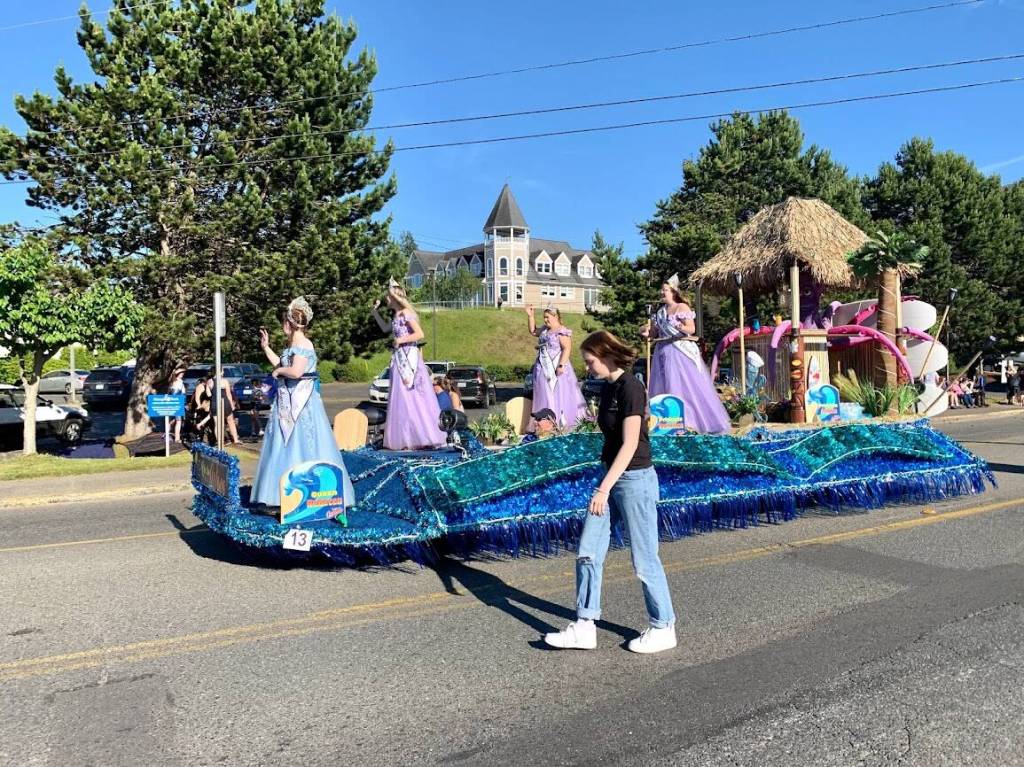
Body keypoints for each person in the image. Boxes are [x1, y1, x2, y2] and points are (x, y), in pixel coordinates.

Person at [544, 330, 676, 654]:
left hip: (634, 480)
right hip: (609, 476)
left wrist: (603, 489)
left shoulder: (632, 387)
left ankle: (663, 627)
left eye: (590, 361)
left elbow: (631, 443)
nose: (587, 367)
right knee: (588, 549)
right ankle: (585, 625)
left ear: (605, 355)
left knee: (644, 558)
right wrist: (604, 481)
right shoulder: (607, 388)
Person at [250, 297, 351, 507]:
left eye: (284, 321)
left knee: (302, 446)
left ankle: (308, 493)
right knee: (283, 447)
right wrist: (266, 348)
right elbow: (283, 362)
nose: (282, 326)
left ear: (291, 322)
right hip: (287, 401)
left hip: (302, 404)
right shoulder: (293, 344)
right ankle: (281, 495)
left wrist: (278, 371)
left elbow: (295, 371)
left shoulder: (304, 343)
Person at [642, 275, 730, 434]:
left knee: (681, 387)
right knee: (664, 387)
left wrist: (677, 324)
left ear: (673, 291)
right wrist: (646, 331)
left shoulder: (681, 307)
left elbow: (691, 329)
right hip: (662, 350)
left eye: (665, 290)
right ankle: (667, 424)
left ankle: (688, 423)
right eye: (661, 290)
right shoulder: (660, 312)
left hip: (678, 351)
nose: (662, 293)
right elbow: (654, 333)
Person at [371, 280, 447, 450]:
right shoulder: (396, 316)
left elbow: (420, 333)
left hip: (409, 359)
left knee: (413, 399)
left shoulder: (406, 313)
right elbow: (384, 328)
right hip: (399, 360)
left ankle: (422, 435)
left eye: (388, 298)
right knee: (402, 401)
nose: (387, 301)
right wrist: (374, 312)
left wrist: (400, 339)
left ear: (395, 297)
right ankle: (406, 437)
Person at [525, 304, 586, 429]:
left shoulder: (561, 331)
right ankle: (543, 424)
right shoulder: (544, 330)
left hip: (557, 368)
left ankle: (559, 423)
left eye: (547, 317)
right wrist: (530, 316)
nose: (545, 320)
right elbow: (533, 331)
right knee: (543, 394)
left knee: (558, 395)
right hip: (543, 368)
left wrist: (561, 365)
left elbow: (567, 348)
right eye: (544, 317)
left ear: (555, 316)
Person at [212, 368, 242, 445]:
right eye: (223, 370)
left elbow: (208, 394)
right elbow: (228, 394)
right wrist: (232, 405)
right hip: (224, 402)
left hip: (214, 403)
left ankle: (220, 442)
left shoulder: (210, 381)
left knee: (217, 423)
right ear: (220, 371)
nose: (224, 372)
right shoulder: (224, 381)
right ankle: (235, 440)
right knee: (230, 421)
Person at [168, 367, 186, 442]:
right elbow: (177, 394)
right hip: (177, 403)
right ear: (178, 374)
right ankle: (177, 438)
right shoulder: (178, 382)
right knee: (178, 421)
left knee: (173, 420)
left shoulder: (172, 381)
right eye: (181, 373)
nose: (183, 374)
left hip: (173, 403)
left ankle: (167, 433)